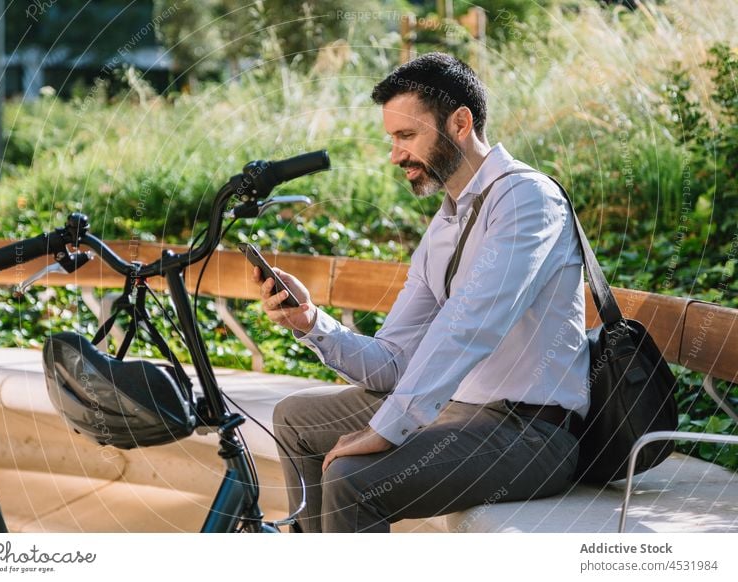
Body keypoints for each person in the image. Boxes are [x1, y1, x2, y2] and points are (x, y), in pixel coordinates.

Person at [252, 52, 590, 533]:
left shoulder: (527, 200)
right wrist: (310, 321)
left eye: (406, 136)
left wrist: (386, 429)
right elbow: (393, 361)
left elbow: (470, 325)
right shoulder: (447, 221)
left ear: (459, 123)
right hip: (456, 407)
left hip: (529, 431)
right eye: (392, 138)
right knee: (294, 419)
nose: (395, 155)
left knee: (352, 479)